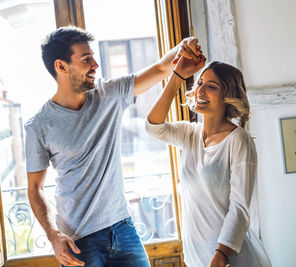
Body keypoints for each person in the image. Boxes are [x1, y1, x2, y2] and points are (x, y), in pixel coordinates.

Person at [24, 26, 202, 267]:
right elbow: (35, 188)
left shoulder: (110, 94)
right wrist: (53, 234)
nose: (95, 64)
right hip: (79, 241)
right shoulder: (39, 125)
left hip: (123, 228)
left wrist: (183, 47)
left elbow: (161, 67)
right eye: (86, 59)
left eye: (93, 57)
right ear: (61, 66)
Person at [146, 59, 272, 267]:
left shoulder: (238, 139)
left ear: (228, 96)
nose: (200, 90)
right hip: (196, 256)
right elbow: (153, 126)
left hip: (228, 256)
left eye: (211, 86)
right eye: (199, 83)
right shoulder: (188, 133)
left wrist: (220, 256)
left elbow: (239, 207)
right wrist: (177, 76)